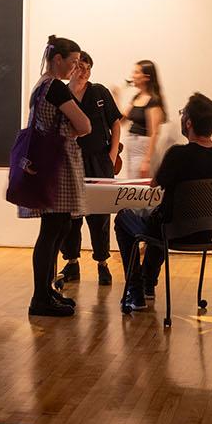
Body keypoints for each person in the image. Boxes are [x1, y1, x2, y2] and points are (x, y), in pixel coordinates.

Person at [114, 92, 212, 314]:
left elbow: (155, 184)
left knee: (125, 218)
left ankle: (136, 290)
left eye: (182, 114)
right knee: (161, 221)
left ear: (188, 122)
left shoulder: (178, 154)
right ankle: (148, 283)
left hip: (172, 230)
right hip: (206, 232)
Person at [18, 36, 93, 316]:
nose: (75, 67)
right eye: (73, 62)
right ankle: (40, 297)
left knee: (57, 228)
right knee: (52, 230)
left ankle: (46, 291)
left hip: (48, 164)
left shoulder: (41, 86)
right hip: (58, 165)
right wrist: (74, 129)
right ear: (58, 59)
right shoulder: (56, 88)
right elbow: (85, 124)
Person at [57, 50, 123, 287]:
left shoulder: (99, 92)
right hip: (70, 161)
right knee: (71, 214)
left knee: (99, 215)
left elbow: (115, 122)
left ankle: (102, 262)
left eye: (88, 68)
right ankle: (72, 261)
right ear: (72, 67)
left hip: (98, 160)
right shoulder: (61, 94)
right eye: (80, 66)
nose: (84, 72)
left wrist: (112, 154)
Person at [122, 60, 166, 179]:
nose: (133, 76)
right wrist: (116, 96)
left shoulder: (153, 101)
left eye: (136, 72)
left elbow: (154, 132)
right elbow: (121, 120)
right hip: (132, 145)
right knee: (130, 181)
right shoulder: (136, 97)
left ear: (146, 77)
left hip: (142, 147)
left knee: (138, 185)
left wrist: (146, 160)